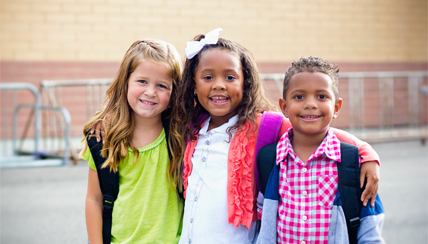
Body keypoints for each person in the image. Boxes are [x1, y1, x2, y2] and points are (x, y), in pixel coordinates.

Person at [168, 28, 381, 244]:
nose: (219, 84)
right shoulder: (190, 127)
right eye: (208, 77)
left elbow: (319, 131)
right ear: (194, 85)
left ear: (245, 84)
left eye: (230, 77)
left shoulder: (263, 125)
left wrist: (367, 154)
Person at [257, 56, 385, 243]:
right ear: (284, 107)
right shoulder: (269, 159)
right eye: (299, 97)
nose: (310, 104)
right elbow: (261, 220)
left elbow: (370, 232)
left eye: (322, 96)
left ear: (336, 107)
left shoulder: (353, 163)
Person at [80, 39, 184, 244]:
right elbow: (94, 199)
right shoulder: (106, 137)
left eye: (162, 85)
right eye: (142, 81)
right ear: (125, 82)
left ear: (174, 92)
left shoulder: (180, 135)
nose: (150, 92)